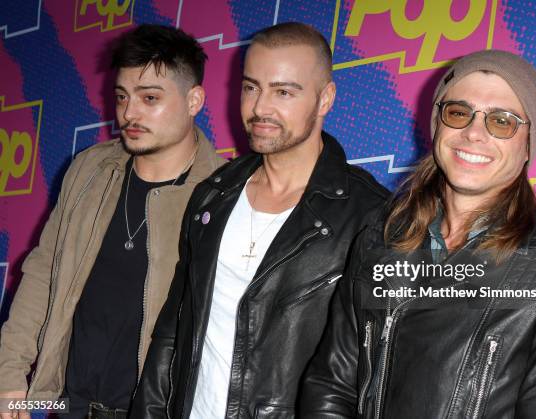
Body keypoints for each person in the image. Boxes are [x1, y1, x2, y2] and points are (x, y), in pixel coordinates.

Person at [300, 50, 536, 418]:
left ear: (529, 142)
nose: (474, 133)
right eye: (459, 113)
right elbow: (330, 386)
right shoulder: (377, 240)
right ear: (437, 125)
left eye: (502, 121)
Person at [130, 22, 388, 418]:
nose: (260, 108)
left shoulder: (370, 216)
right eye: (251, 87)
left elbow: (370, 373)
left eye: (283, 91)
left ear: (325, 99)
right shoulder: (214, 195)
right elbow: (173, 329)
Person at [0, 24, 225, 418]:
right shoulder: (90, 169)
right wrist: (9, 381)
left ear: (194, 100)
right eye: (122, 97)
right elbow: (43, 272)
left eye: (150, 98)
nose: (129, 113)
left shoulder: (224, 193)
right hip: (68, 405)